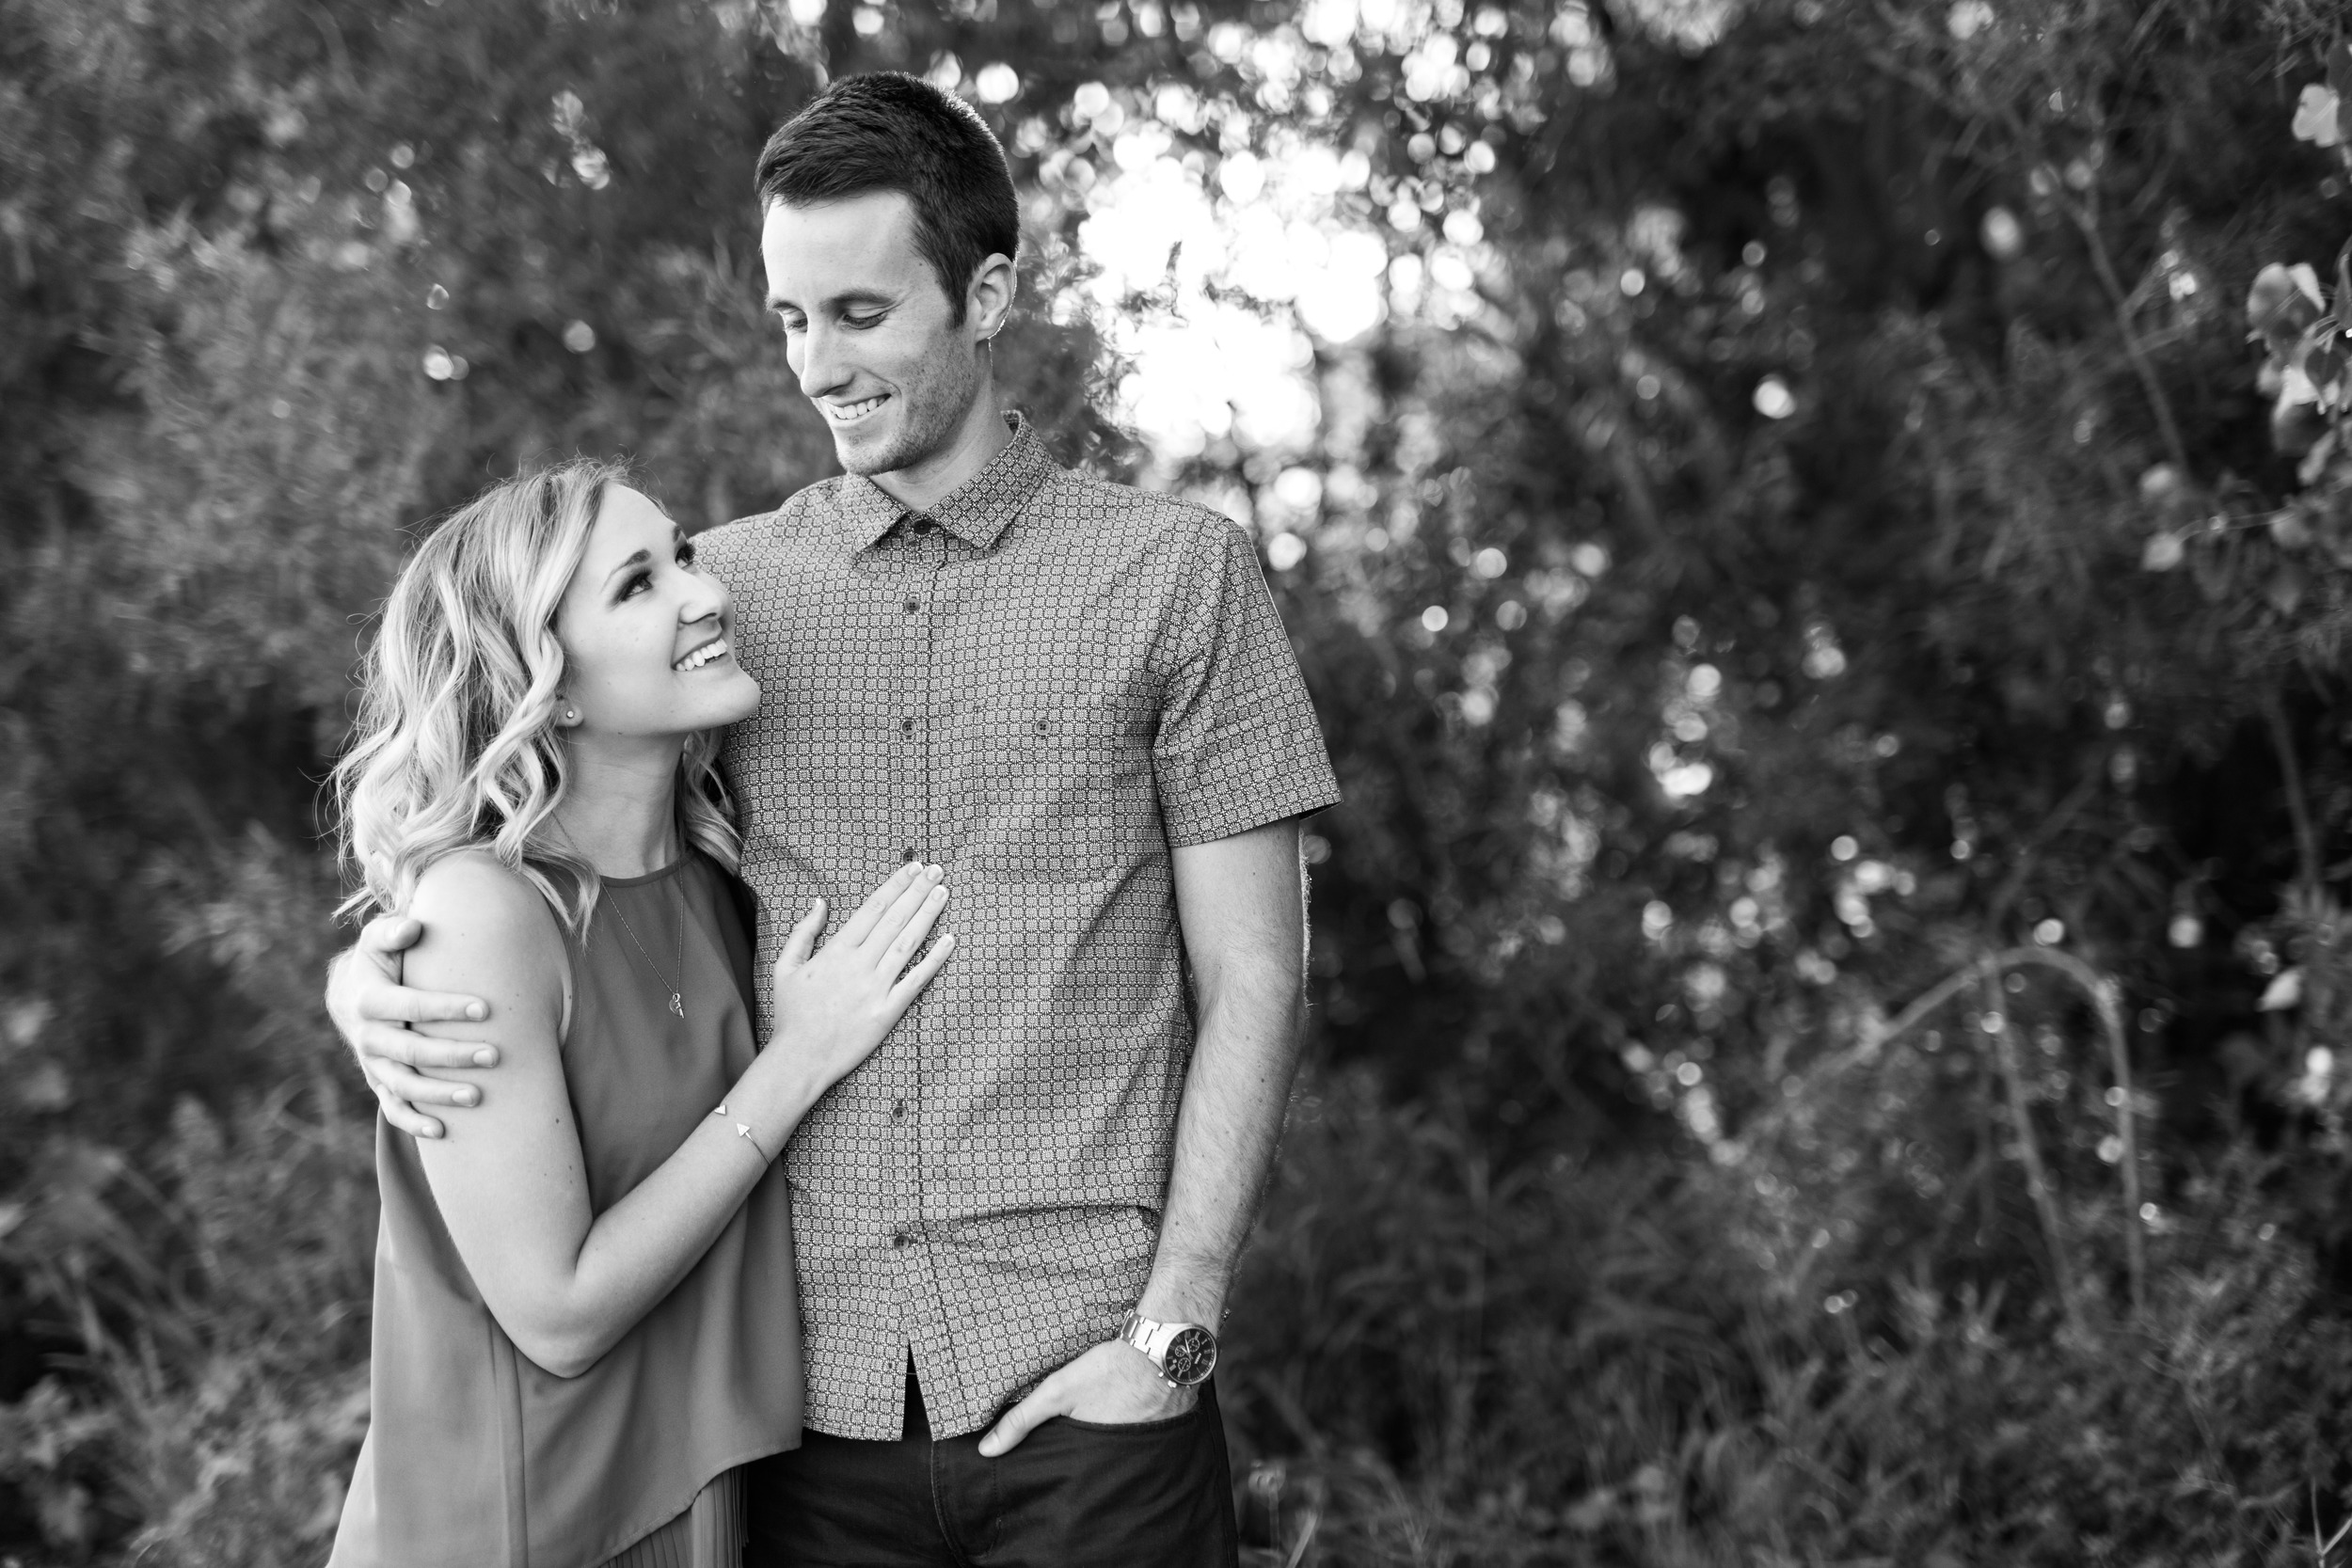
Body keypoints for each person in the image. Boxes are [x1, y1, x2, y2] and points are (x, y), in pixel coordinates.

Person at [330, 71, 1341, 1566]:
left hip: (1091, 1394)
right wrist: (373, 974)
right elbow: (543, 836)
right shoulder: (725, 603)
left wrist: (1175, 1327)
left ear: (987, 292)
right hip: (797, 1420)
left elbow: (1258, 975)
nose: (821, 366)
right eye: (792, 321)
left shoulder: (1178, 578)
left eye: (860, 314)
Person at [324, 461, 954, 1568]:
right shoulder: (484, 910)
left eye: (685, 555)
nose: (704, 594)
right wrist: (796, 1061)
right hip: (527, 1518)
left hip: (695, 1489)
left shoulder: (719, 876)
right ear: (547, 680)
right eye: (636, 584)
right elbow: (557, 1311)